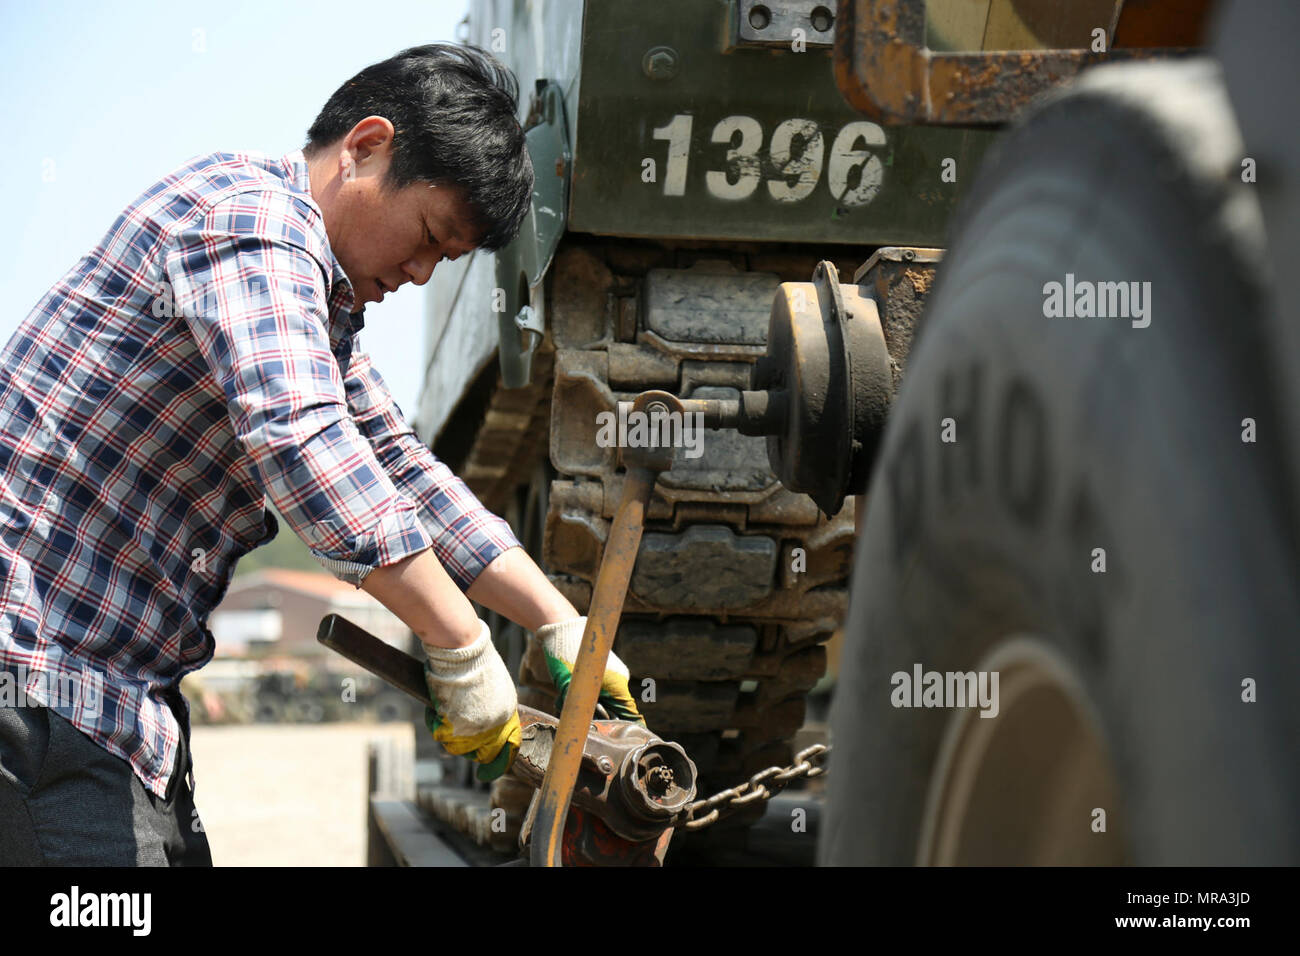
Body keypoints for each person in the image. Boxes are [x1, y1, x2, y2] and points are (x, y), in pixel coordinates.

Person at [0, 43, 641, 867]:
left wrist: (555, 620)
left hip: (109, 702)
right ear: (367, 146)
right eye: (427, 238)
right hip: (36, 677)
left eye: (441, 263)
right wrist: (461, 643)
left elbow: (404, 470)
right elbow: (302, 441)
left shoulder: (321, 316)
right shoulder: (253, 220)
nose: (417, 274)